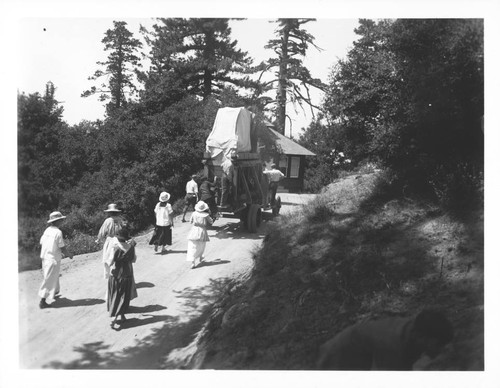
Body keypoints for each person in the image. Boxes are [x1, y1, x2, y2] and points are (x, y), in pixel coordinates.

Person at [316, 309, 454, 370]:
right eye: (438, 344)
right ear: (421, 337)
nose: (440, 349)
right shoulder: (392, 347)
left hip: (362, 351)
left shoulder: (416, 328)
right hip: (339, 356)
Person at [38, 211, 74, 309]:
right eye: (61, 220)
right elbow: (62, 247)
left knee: (53, 275)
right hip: (52, 259)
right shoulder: (58, 232)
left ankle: (55, 292)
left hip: (45, 257)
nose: (62, 221)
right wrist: (69, 255)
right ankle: (42, 300)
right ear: (57, 221)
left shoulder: (47, 230)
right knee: (49, 279)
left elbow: (42, 242)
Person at [105, 227, 138, 330]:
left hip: (115, 275)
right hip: (127, 275)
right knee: (124, 295)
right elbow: (133, 260)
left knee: (115, 295)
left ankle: (114, 317)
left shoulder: (115, 248)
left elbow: (110, 262)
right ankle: (122, 315)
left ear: (117, 238)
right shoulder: (131, 247)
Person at [96, 204, 125, 279]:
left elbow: (102, 231)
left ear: (109, 213)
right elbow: (123, 229)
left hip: (110, 240)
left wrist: (98, 239)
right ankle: (118, 274)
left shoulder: (108, 220)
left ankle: (110, 276)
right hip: (119, 239)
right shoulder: (120, 219)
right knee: (117, 258)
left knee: (108, 258)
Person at [186, 201, 213, 269]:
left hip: (194, 230)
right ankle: (201, 256)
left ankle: (192, 262)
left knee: (192, 246)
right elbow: (211, 221)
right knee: (201, 245)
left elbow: (190, 221)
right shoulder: (206, 215)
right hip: (202, 230)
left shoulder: (194, 213)